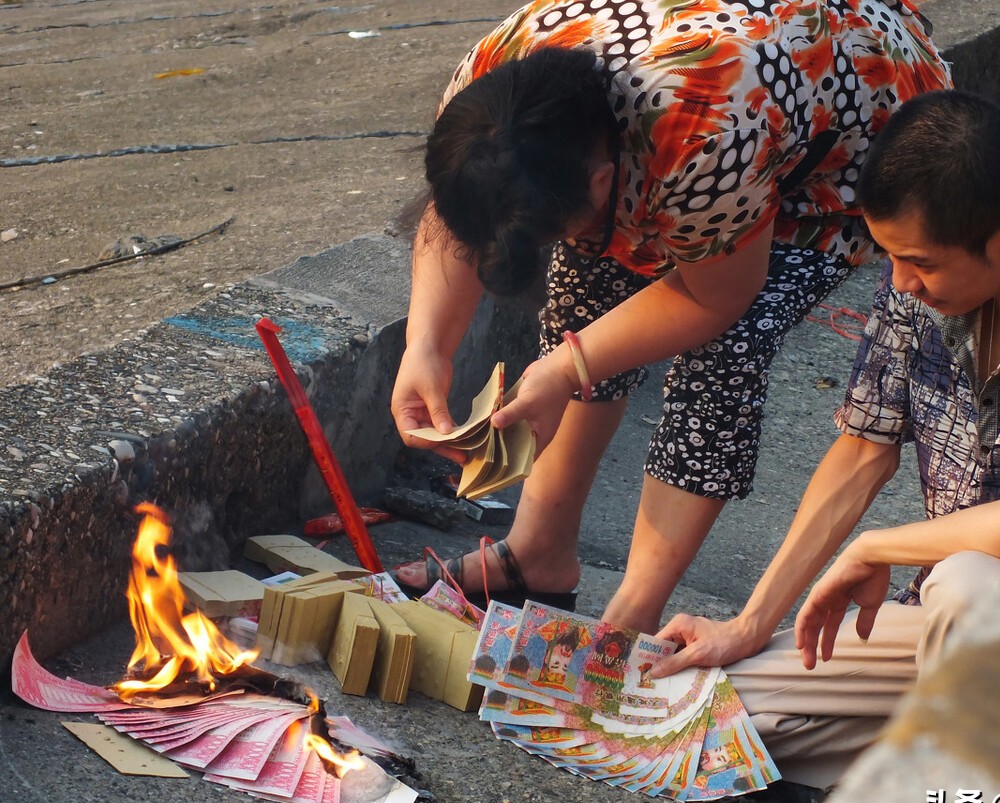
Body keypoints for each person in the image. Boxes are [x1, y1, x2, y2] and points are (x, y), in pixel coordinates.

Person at [651, 89, 1000, 803]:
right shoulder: (924, 282)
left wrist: (878, 546)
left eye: (919, 264)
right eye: (892, 259)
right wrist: (749, 624)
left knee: (966, 581)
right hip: (969, 637)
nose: (902, 282)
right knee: (706, 720)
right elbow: (860, 452)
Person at [389, 0, 952, 632]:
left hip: (842, 149)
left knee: (726, 350)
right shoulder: (491, 89)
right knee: (585, 288)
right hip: (731, 107)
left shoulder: (705, 131)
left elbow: (716, 297)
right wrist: (426, 348)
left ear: (603, 181)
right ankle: (538, 557)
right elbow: (458, 211)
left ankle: (628, 619)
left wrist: (564, 369)